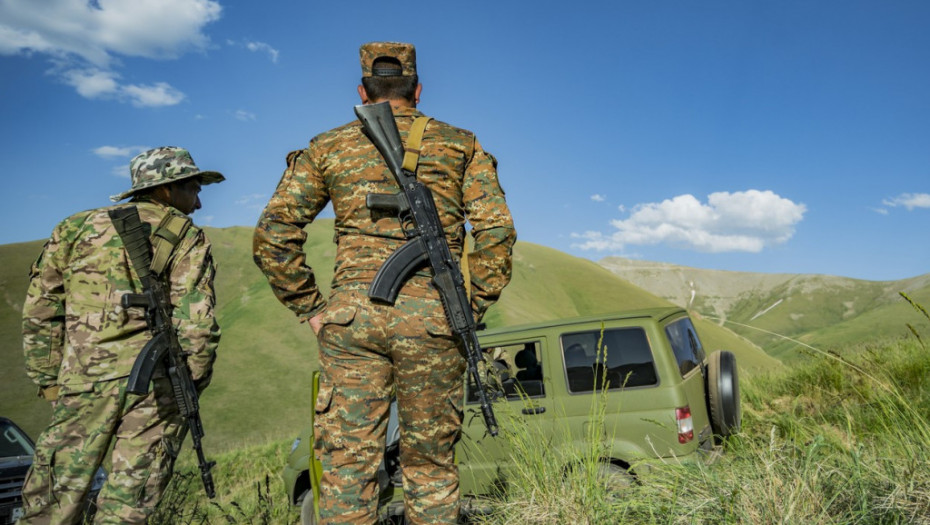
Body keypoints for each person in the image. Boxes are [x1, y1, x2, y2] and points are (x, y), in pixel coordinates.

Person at [253, 42, 516, 524]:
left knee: (348, 467)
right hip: (436, 325)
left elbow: (273, 235)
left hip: (352, 323)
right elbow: (496, 233)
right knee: (431, 468)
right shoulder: (461, 144)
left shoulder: (327, 147)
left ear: (362, 90)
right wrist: (468, 308)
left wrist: (311, 308)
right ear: (417, 90)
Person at [21, 147, 224, 524]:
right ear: (166, 189)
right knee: (127, 508)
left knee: (51, 503)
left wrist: (51, 382)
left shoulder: (73, 228)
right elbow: (198, 323)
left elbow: (42, 310)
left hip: (82, 381)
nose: (197, 202)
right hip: (156, 389)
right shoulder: (185, 235)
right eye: (194, 189)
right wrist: (190, 385)